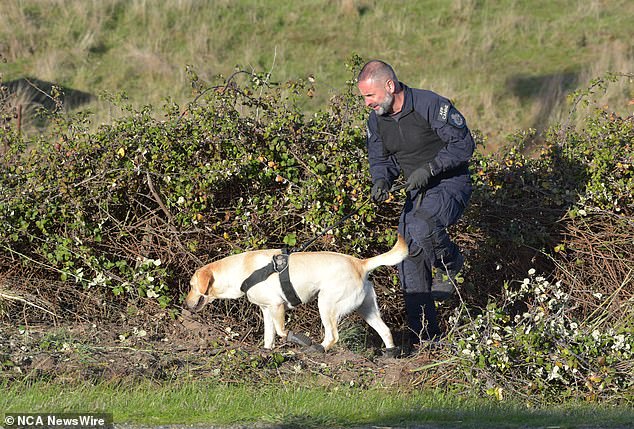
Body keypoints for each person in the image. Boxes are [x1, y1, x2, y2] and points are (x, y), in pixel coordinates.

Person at [357, 60, 474, 346]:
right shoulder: (377, 120)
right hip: (417, 193)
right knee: (406, 255)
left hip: (449, 184)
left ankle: (452, 265)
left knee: (422, 225)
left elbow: (463, 145)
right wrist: (381, 180)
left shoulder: (430, 105)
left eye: (369, 96)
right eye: (363, 97)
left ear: (389, 86)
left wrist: (430, 169)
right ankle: (425, 340)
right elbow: (380, 158)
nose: (367, 103)